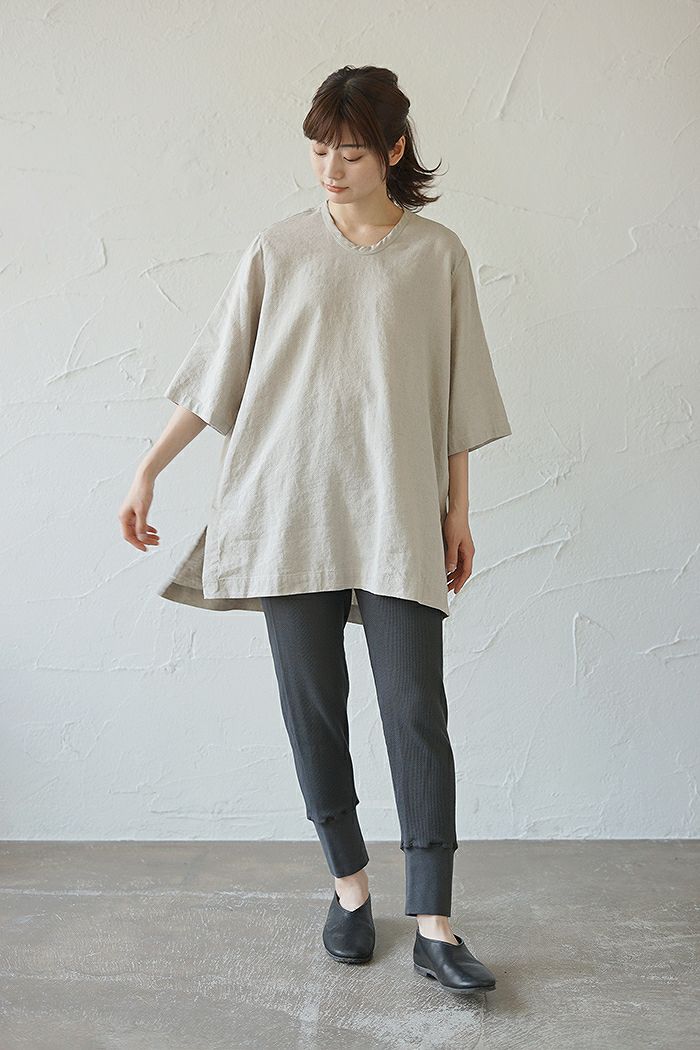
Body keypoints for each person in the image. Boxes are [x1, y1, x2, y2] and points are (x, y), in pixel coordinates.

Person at [119, 65, 511, 996]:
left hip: (396, 513)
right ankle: (349, 891)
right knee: (313, 712)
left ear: (394, 151)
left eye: (352, 152)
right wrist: (148, 467)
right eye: (320, 149)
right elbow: (217, 372)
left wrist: (458, 510)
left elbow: (458, 394)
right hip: (287, 508)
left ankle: (435, 924)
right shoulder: (280, 248)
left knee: (416, 713)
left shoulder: (438, 255)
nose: (331, 169)